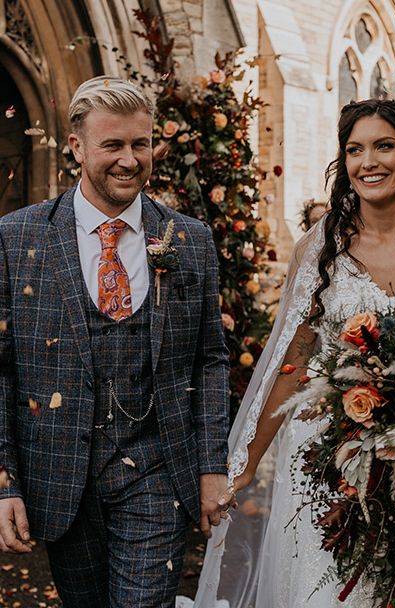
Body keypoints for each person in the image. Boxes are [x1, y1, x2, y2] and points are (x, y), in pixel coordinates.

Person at [184, 99, 395, 608]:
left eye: (383, 146)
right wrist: (244, 465)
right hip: (331, 463)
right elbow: (290, 364)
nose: (369, 162)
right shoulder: (319, 249)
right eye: (355, 150)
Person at [0, 76, 233, 607]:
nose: (130, 160)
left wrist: (212, 465)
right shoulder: (17, 238)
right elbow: (2, 368)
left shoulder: (189, 239)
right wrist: (5, 482)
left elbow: (210, 360)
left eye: (140, 144)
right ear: (77, 147)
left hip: (156, 471)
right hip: (61, 479)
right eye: (113, 145)